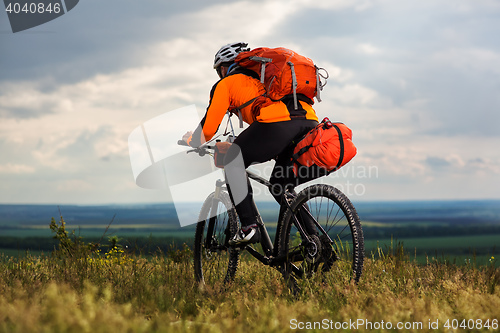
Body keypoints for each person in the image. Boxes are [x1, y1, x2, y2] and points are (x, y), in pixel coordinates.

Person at [183, 42, 319, 245]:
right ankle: (316, 242)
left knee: (232, 160)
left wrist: (193, 140)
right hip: (309, 121)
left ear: (223, 68)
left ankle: (249, 227)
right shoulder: (267, 81)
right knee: (280, 186)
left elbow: (208, 128)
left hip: (277, 124)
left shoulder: (227, 84)